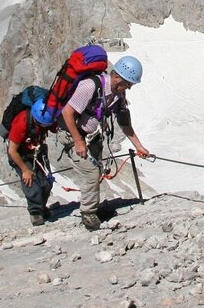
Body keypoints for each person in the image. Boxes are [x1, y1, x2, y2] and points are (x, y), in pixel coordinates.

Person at [51, 55, 152, 231]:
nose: (129, 88)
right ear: (117, 77)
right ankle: (88, 213)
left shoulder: (118, 94)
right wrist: (78, 141)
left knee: (96, 170)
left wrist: (138, 146)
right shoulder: (90, 86)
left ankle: (93, 208)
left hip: (90, 136)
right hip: (71, 135)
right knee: (90, 172)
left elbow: (124, 123)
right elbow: (67, 113)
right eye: (128, 84)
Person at [6, 100, 54, 226]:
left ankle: (41, 207)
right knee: (31, 182)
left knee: (47, 182)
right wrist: (25, 170)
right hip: (21, 155)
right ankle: (35, 213)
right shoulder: (21, 123)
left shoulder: (45, 118)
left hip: (36, 151)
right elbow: (12, 151)